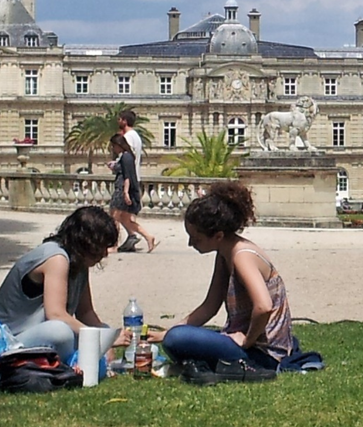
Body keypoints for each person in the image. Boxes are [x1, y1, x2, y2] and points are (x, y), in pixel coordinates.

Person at [147, 182, 293, 385]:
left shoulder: (242, 256)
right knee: (174, 339)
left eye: (195, 239)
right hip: (246, 344)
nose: (191, 244)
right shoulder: (225, 253)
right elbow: (209, 306)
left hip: (263, 354)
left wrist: (246, 340)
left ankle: (226, 365)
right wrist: (166, 333)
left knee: (177, 340)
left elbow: (264, 306)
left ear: (218, 236)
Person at [0, 206, 127, 359]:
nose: (104, 254)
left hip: (34, 334)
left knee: (103, 330)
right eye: (101, 246)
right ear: (86, 242)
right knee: (60, 332)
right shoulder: (56, 258)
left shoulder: (79, 262)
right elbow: (56, 314)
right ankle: (66, 364)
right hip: (5, 340)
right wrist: (97, 338)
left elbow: (85, 313)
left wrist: (106, 338)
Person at [108, 135, 157, 253]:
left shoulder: (126, 157)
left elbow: (128, 177)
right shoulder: (127, 156)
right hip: (125, 189)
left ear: (119, 145)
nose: (113, 149)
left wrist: (125, 192)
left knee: (114, 218)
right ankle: (148, 237)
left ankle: (114, 245)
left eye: (113, 146)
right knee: (125, 219)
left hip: (122, 189)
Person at [116, 110, 145, 252]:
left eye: (119, 119)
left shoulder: (128, 137)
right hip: (134, 178)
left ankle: (115, 243)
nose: (118, 122)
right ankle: (132, 237)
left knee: (116, 214)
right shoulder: (136, 136)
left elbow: (127, 159)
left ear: (124, 121)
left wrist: (115, 165)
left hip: (128, 180)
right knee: (124, 216)